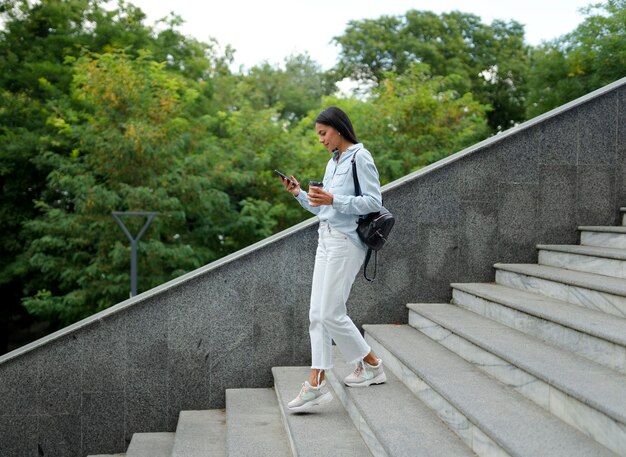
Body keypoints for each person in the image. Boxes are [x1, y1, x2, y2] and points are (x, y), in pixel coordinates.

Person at [277, 106, 386, 413]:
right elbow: (324, 209)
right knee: (317, 314)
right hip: (325, 240)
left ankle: (371, 365)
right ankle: (318, 384)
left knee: (331, 314)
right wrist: (299, 193)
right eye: (319, 135)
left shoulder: (360, 157)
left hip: (346, 244)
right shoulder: (332, 163)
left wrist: (334, 198)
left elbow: (374, 201)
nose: (321, 140)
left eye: (323, 133)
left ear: (338, 129)